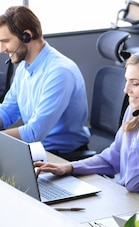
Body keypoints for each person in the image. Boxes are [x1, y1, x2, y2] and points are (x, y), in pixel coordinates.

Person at [35, 47, 139, 198]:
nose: (126, 90)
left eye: (135, 83)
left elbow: (135, 182)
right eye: (126, 81)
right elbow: (114, 157)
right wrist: (70, 168)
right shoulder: (136, 111)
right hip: (125, 197)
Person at [0, 6, 91, 158]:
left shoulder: (59, 72)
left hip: (60, 156)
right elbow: (8, 110)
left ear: (26, 36)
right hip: (36, 149)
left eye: (5, 41)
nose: (1, 49)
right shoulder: (24, 68)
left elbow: (34, 133)